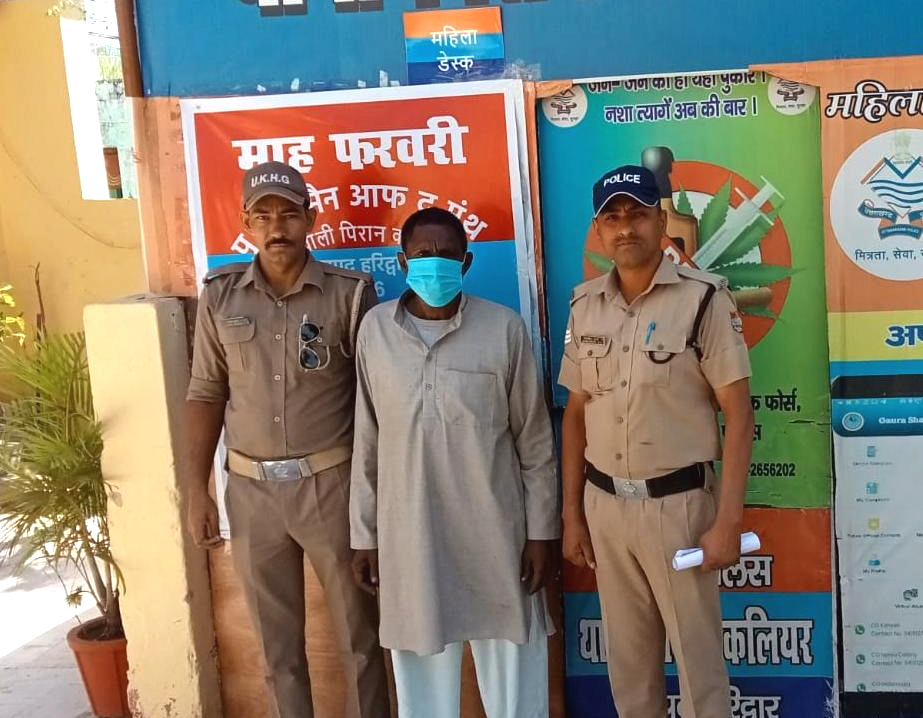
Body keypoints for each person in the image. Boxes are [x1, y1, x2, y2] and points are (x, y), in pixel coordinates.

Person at [184, 161, 391, 718]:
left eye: (288, 213)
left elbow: (374, 401)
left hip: (332, 485)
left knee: (360, 640)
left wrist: (374, 497)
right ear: (245, 223)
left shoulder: (349, 295)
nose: (276, 227)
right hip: (251, 493)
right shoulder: (221, 297)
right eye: (263, 216)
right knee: (276, 650)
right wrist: (197, 491)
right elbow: (205, 392)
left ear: (311, 218)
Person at [560, 166, 755, 718]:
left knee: (698, 667)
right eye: (612, 217)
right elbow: (575, 414)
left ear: (660, 222)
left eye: (638, 214)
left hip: (679, 510)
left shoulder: (703, 299)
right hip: (605, 508)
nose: (626, 227)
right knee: (629, 666)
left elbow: (739, 414)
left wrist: (728, 520)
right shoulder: (584, 305)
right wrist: (573, 514)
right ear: (599, 230)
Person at [349, 207, 559, 718]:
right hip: (412, 541)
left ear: (466, 262)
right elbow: (367, 441)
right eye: (423, 254)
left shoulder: (503, 329)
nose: (435, 263)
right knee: (423, 692)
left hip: (499, 539)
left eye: (447, 254)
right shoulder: (375, 332)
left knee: (516, 687)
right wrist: (364, 537)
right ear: (403, 262)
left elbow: (534, 441)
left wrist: (541, 534)